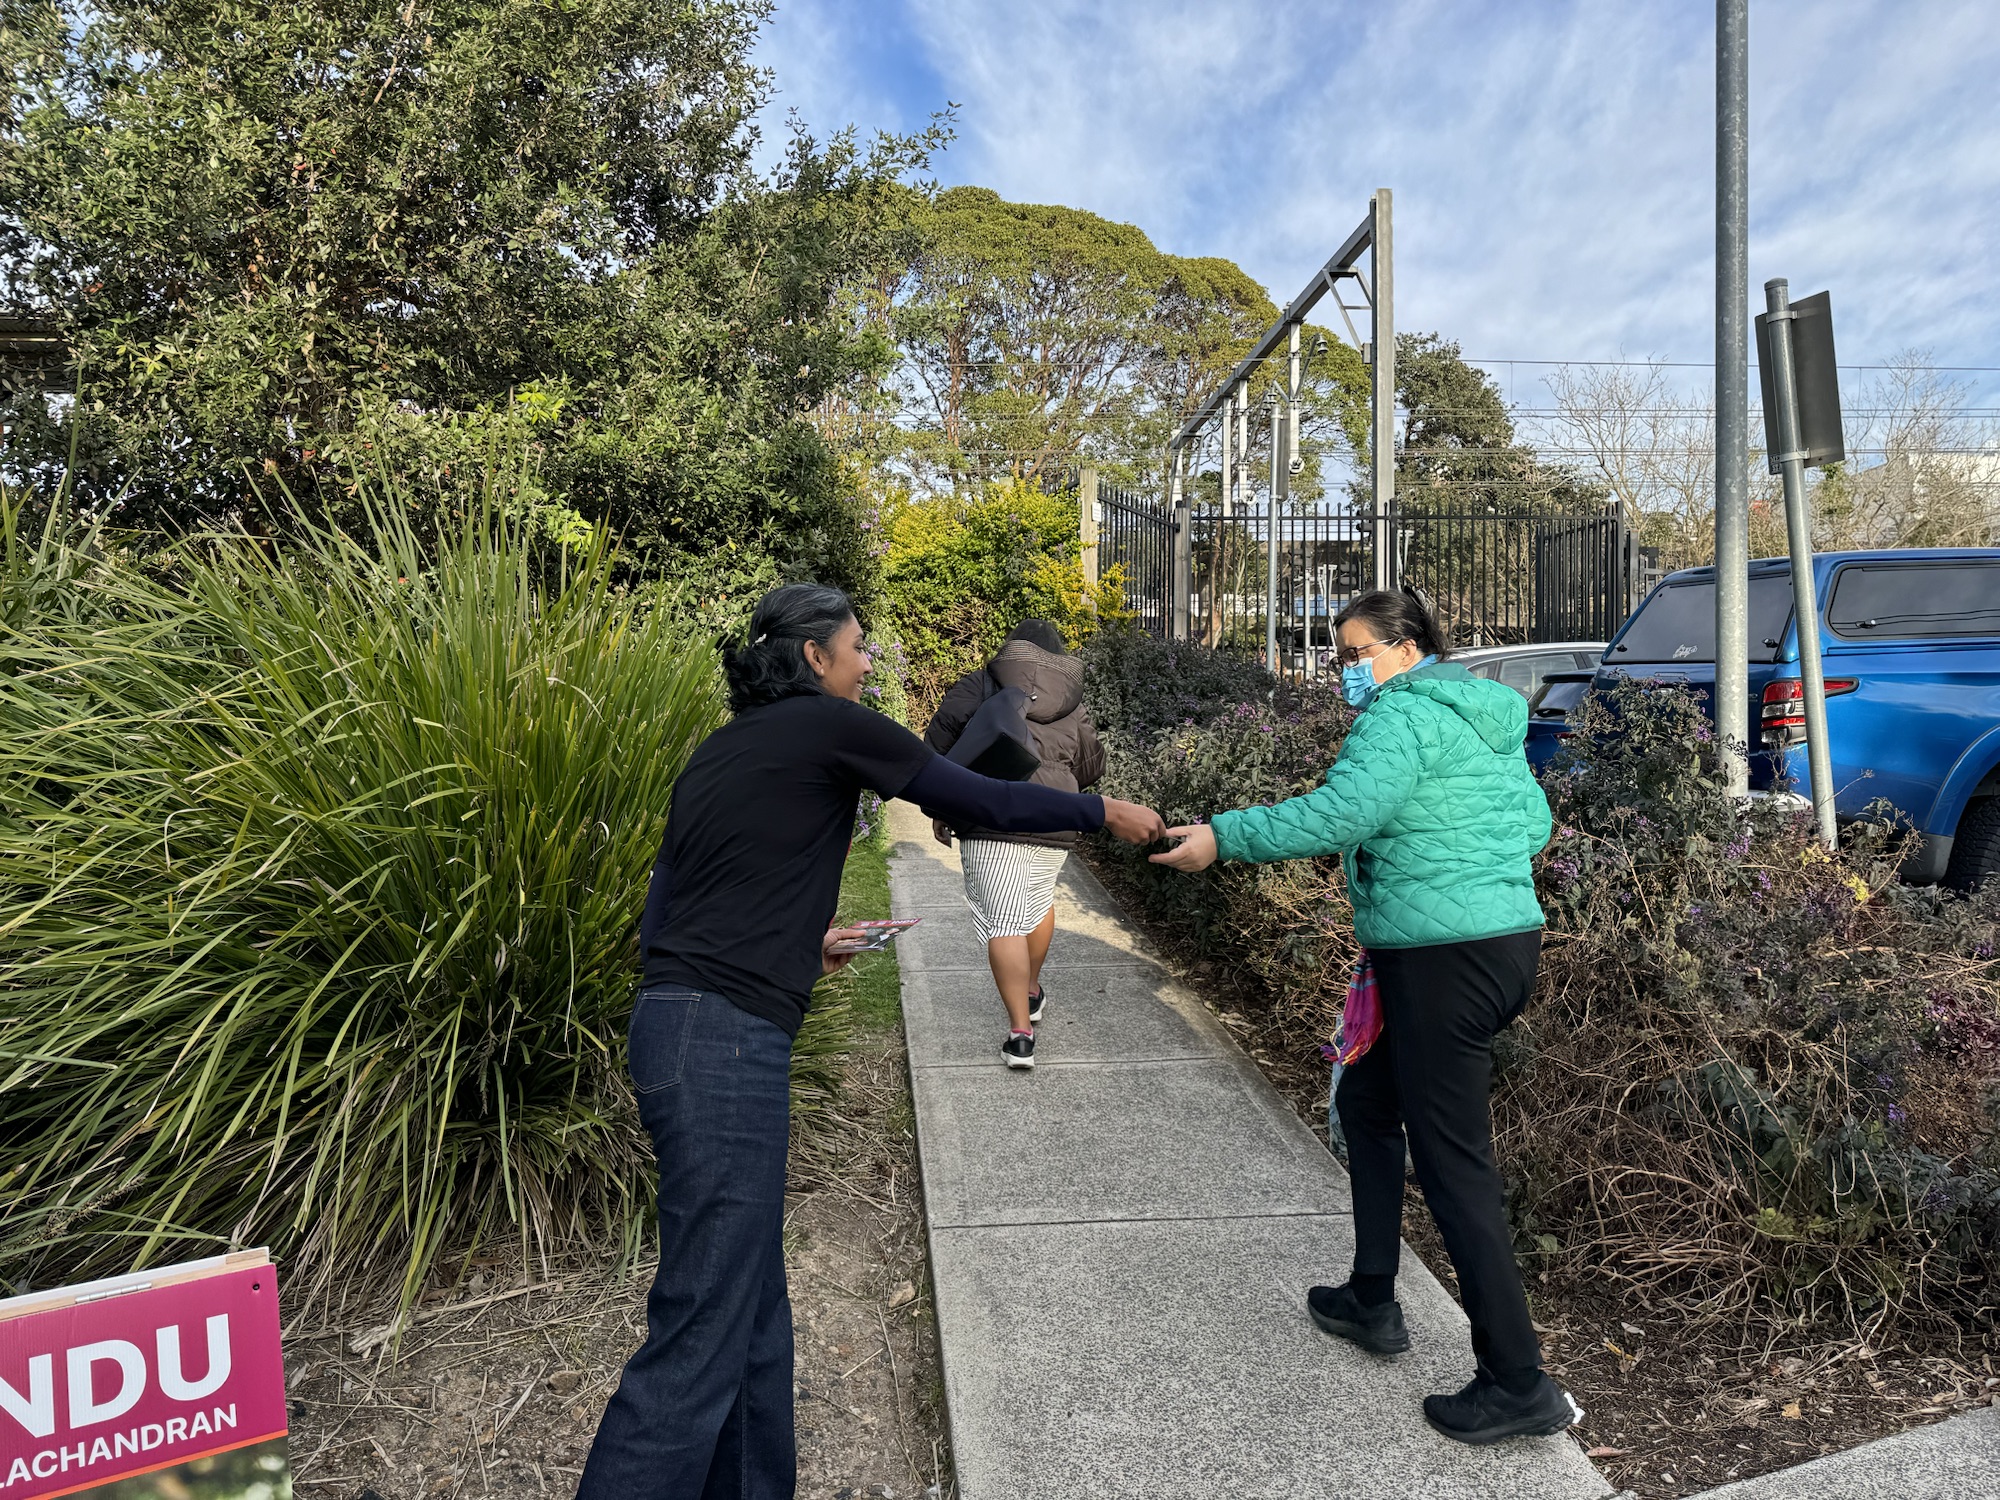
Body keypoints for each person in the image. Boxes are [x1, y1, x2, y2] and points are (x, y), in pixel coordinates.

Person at [577, 583, 1164, 1499]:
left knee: (752, 1310)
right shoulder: (830, 726)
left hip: (678, 1029)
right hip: (724, 1047)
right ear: (814, 656)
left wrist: (796, 943)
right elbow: (976, 798)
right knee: (700, 1326)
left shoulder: (721, 749)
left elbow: (678, 901)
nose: (868, 659)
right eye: (858, 645)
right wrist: (1103, 813)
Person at [1148, 588, 1581, 1446]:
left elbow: (1341, 812)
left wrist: (1222, 837)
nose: (1344, 668)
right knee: (1367, 1104)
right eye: (1340, 654)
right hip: (1501, 947)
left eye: (1354, 652)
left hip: (1438, 964)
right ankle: (1371, 1297)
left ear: (1406, 646)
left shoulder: (1399, 716)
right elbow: (1533, 822)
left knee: (1456, 1166)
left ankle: (1518, 1380)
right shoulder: (1482, 718)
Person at [923, 619, 1105, 1069]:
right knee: (1037, 904)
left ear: (1010, 650)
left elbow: (938, 749)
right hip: (1053, 819)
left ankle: (1020, 1034)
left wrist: (941, 808)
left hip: (988, 816)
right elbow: (1091, 764)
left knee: (1004, 921)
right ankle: (1030, 988)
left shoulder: (980, 683)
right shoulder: (1072, 700)